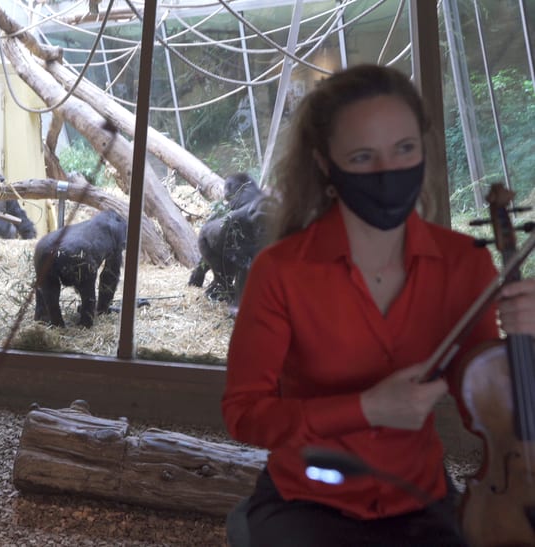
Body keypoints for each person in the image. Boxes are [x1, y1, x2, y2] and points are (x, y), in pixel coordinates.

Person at [222, 63, 535, 546]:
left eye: (404, 149)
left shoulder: (463, 264)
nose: (389, 171)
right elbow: (244, 415)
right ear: (326, 164)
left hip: (419, 497)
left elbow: (485, 415)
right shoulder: (280, 271)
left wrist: (526, 341)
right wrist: (365, 408)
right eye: (363, 156)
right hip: (309, 497)